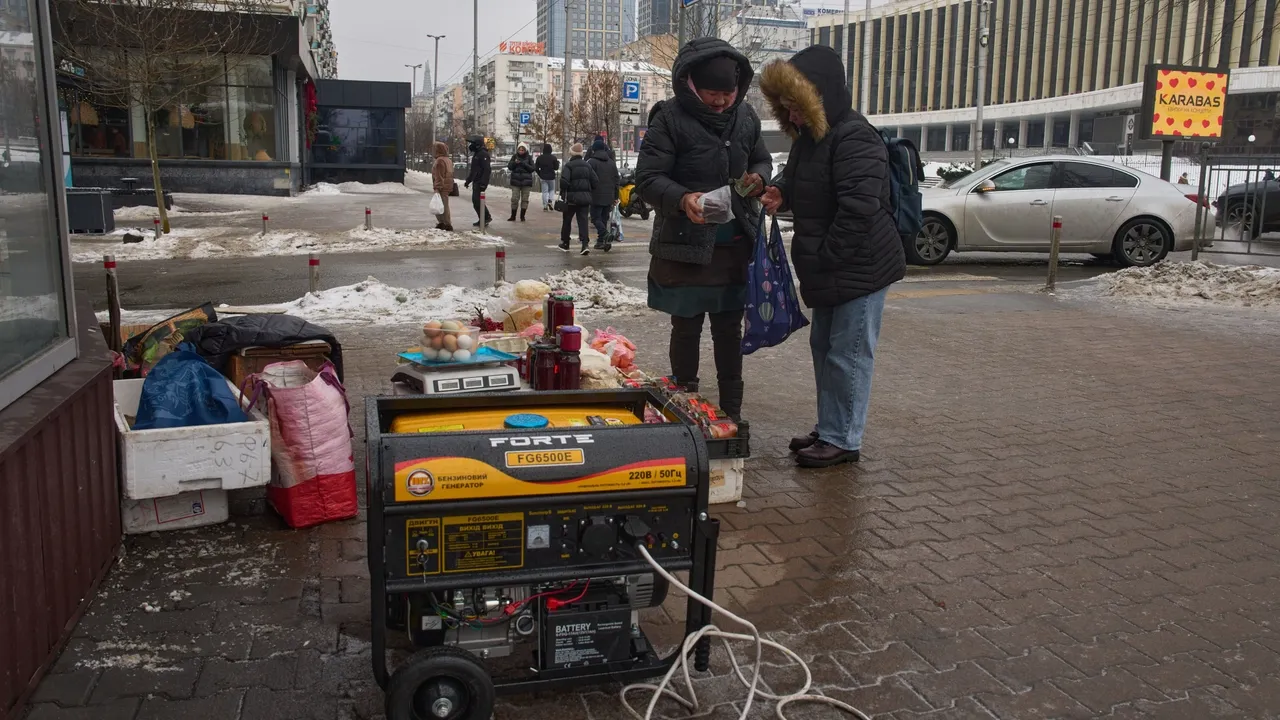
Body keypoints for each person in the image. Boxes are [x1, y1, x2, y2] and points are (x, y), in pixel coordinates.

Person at [758, 45, 906, 468]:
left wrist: (824, 256)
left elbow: (859, 210)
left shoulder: (855, 137)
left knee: (850, 354)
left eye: (797, 107)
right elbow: (802, 178)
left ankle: (843, 438)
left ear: (819, 97)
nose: (793, 117)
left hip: (860, 266)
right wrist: (781, 191)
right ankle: (829, 427)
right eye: (786, 108)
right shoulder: (812, 138)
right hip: (830, 266)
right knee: (825, 349)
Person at [634, 38, 771, 422]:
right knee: (687, 327)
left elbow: (761, 157)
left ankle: (731, 412)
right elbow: (647, 178)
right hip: (686, 245)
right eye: (713, 93)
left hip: (735, 244)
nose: (721, 102)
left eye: (727, 94)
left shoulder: (746, 116)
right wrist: (683, 199)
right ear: (692, 83)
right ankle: (685, 409)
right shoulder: (669, 117)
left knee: (729, 330)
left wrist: (758, 178)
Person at [558, 142, 597, 255]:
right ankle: (584, 244)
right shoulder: (587, 165)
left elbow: (564, 182)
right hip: (585, 199)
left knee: (567, 220)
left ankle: (565, 243)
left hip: (572, 199)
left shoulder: (569, 166)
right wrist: (588, 190)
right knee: (583, 221)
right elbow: (595, 181)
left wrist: (565, 190)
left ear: (572, 154)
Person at [586, 136, 620, 250]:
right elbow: (616, 180)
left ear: (594, 150)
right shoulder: (611, 163)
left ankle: (605, 235)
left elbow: (587, 179)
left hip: (595, 195)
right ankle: (602, 241)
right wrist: (616, 196)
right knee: (604, 218)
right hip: (609, 196)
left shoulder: (591, 162)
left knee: (595, 218)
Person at [463, 135, 493, 227]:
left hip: (481, 182)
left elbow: (487, 170)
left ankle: (486, 217)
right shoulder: (477, 154)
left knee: (478, 201)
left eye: (473, 143)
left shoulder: (483, 154)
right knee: (476, 201)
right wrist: (468, 181)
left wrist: (484, 183)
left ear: (478, 144)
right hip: (476, 181)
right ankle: (483, 218)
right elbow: (474, 170)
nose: (471, 146)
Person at [507, 143, 536, 221]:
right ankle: (513, 216)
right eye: (519, 149)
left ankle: (522, 216)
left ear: (525, 150)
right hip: (515, 181)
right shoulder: (514, 157)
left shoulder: (529, 158)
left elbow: (532, 168)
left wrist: (523, 164)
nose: (521, 151)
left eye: (522, 150)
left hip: (526, 182)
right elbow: (509, 167)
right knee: (514, 199)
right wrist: (515, 163)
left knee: (525, 199)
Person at [430, 140, 454, 231]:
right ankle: (444, 222)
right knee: (443, 204)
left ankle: (446, 223)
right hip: (447, 186)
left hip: (442, 187)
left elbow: (439, 176)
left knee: (441, 205)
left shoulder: (439, 161)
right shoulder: (448, 160)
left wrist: (437, 187)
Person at [535, 143, 560, 211]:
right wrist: (557, 163)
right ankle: (550, 201)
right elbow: (556, 168)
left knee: (544, 191)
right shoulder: (553, 158)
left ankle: (545, 206)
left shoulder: (539, 158)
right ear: (550, 150)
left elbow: (536, 168)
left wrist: (540, 174)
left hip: (543, 176)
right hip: (551, 176)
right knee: (552, 190)